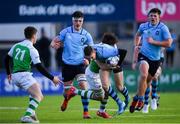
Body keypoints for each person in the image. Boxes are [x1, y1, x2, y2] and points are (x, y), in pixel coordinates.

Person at [4, 26, 61, 123]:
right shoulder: (32, 49)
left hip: (15, 75)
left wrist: (8, 73)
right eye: (36, 35)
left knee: (35, 89)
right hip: (24, 75)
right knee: (39, 96)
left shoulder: (16, 45)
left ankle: (32, 114)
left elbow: (6, 58)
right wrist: (52, 78)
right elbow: (39, 67)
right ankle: (27, 116)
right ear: (34, 36)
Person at [50, 11, 94, 119]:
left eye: (80, 21)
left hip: (80, 64)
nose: (78, 23)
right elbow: (54, 41)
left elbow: (92, 51)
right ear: (72, 20)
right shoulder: (66, 31)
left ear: (83, 21)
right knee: (66, 92)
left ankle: (86, 113)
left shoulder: (87, 35)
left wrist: (89, 60)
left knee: (84, 87)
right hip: (67, 65)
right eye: (75, 20)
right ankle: (66, 99)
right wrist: (53, 45)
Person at [129, 8, 172, 113]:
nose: (153, 17)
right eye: (151, 15)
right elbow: (137, 35)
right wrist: (136, 45)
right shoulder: (143, 26)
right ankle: (141, 100)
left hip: (156, 59)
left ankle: (137, 98)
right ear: (148, 16)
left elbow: (169, 43)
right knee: (143, 75)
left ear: (159, 17)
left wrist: (154, 42)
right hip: (144, 56)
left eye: (155, 16)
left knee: (148, 81)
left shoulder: (163, 28)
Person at [95, 33, 130, 115]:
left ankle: (127, 98)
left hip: (115, 63)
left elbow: (123, 52)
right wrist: (104, 66)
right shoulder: (100, 48)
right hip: (105, 64)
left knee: (120, 87)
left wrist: (118, 64)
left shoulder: (113, 48)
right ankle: (120, 104)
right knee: (105, 86)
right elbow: (96, 59)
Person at [142, 49, 164, 113]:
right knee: (147, 82)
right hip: (146, 59)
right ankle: (146, 103)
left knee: (155, 76)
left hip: (157, 58)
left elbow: (164, 46)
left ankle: (154, 98)